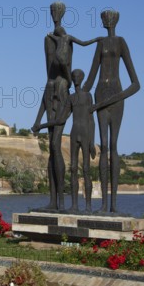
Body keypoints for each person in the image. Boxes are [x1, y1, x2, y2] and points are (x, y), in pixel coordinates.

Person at [32, 1, 101, 211]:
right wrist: (37, 120)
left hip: (60, 92)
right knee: (51, 152)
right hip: (50, 89)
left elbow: (65, 68)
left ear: (61, 14)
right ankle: (53, 201)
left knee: (55, 146)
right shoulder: (47, 40)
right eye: (52, 12)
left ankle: (61, 201)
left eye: (57, 12)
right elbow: (48, 79)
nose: (54, 15)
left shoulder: (65, 40)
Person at [83, 10, 140, 213]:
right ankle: (104, 204)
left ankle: (114, 204)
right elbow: (90, 77)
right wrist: (78, 96)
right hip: (100, 95)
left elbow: (136, 83)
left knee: (114, 145)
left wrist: (117, 97)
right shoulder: (100, 44)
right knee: (104, 146)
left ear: (115, 20)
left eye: (110, 17)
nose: (106, 20)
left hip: (115, 95)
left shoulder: (121, 42)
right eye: (104, 17)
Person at [33, 69, 96, 213]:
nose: (76, 79)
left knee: (86, 169)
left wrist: (92, 141)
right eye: (74, 77)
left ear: (83, 78)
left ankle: (88, 206)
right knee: (73, 169)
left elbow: (91, 120)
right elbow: (61, 120)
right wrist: (41, 125)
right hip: (74, 134)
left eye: (78, 76)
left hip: (85, 134)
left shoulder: (88, 96)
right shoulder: (71, 98)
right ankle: (74, 205)